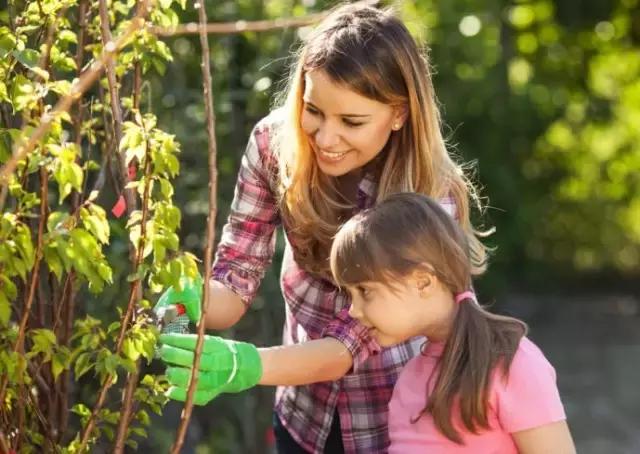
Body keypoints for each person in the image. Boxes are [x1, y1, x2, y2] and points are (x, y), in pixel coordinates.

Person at [155, 2, 488, 454]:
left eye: (352, 121)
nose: (327, 138)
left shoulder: (429, 194)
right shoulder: (275, 146)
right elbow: (235, 277)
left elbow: (357, 338)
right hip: (303, 415)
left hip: (402, 422)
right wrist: (192, 296)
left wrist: (245, 366)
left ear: (400, 113)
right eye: (314, 110)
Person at [327, 192, 576, 454]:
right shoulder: (410, 378)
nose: (353, 311)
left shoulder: (512, 363)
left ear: (422, 281)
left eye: (364, 291)